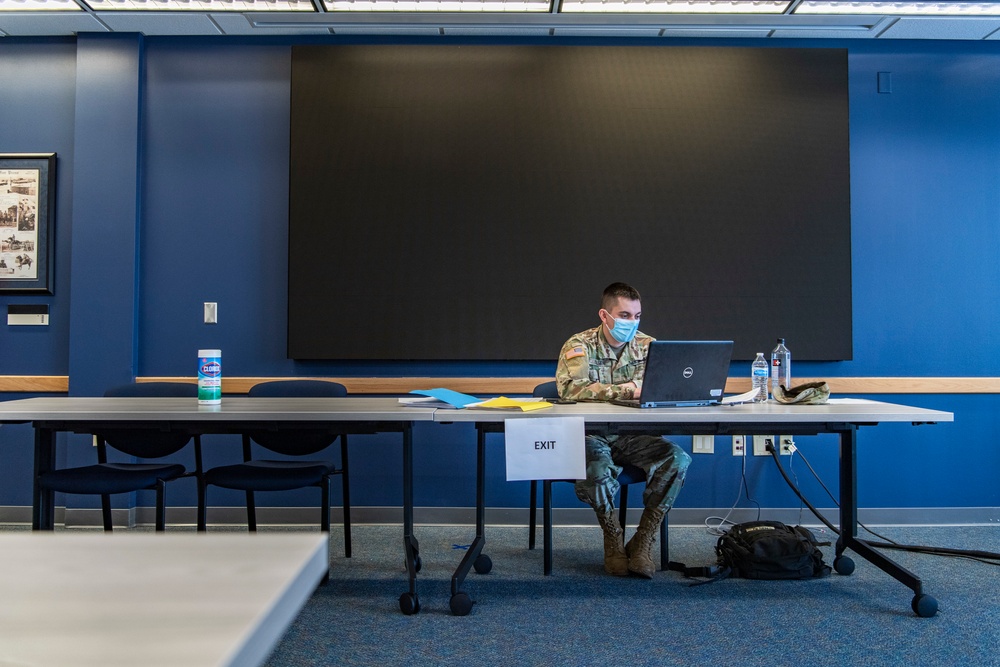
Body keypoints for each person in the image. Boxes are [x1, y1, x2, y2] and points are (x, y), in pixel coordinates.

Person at [555, 282, 691, 578]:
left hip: (634, 435)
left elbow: (662, 389)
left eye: (637, 315)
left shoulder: (649, 346)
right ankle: (613, 538)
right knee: (597, 471)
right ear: (605, 315)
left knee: (677, 459)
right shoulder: (580, 345)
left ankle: (643, 540)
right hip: (590, 435)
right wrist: (628, 390)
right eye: (625, 315)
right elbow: (571, 389)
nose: (632, 322)